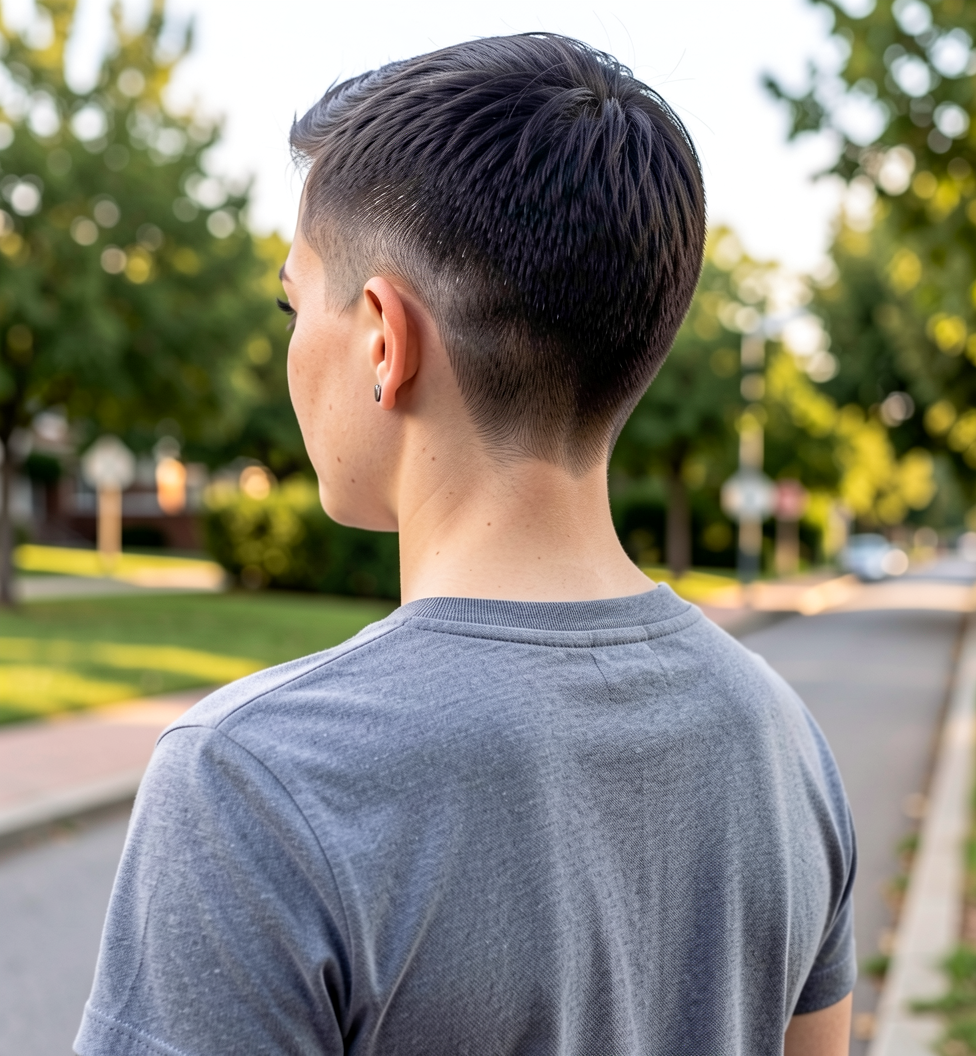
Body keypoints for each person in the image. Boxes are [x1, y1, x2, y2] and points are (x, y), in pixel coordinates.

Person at [75, 34, 855, 1056]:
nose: (287, 343)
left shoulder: (253, 783)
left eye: (291, 299)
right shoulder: (780, 740)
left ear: (384, 341)